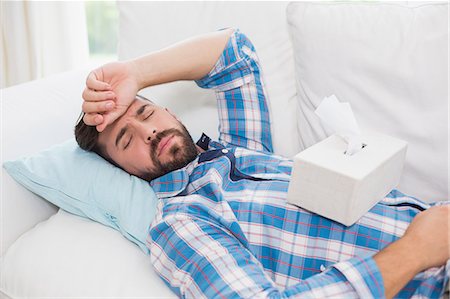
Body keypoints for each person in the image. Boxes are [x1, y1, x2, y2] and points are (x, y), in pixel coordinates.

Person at [76, 28, 449, 298]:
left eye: (145, 112)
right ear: (123, 171)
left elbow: (233, 53)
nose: (148, 132)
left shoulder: (241, 150)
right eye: (126, 141)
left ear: (168, 111)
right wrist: (416, 251)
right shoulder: (180, 222)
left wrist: (136, 73)